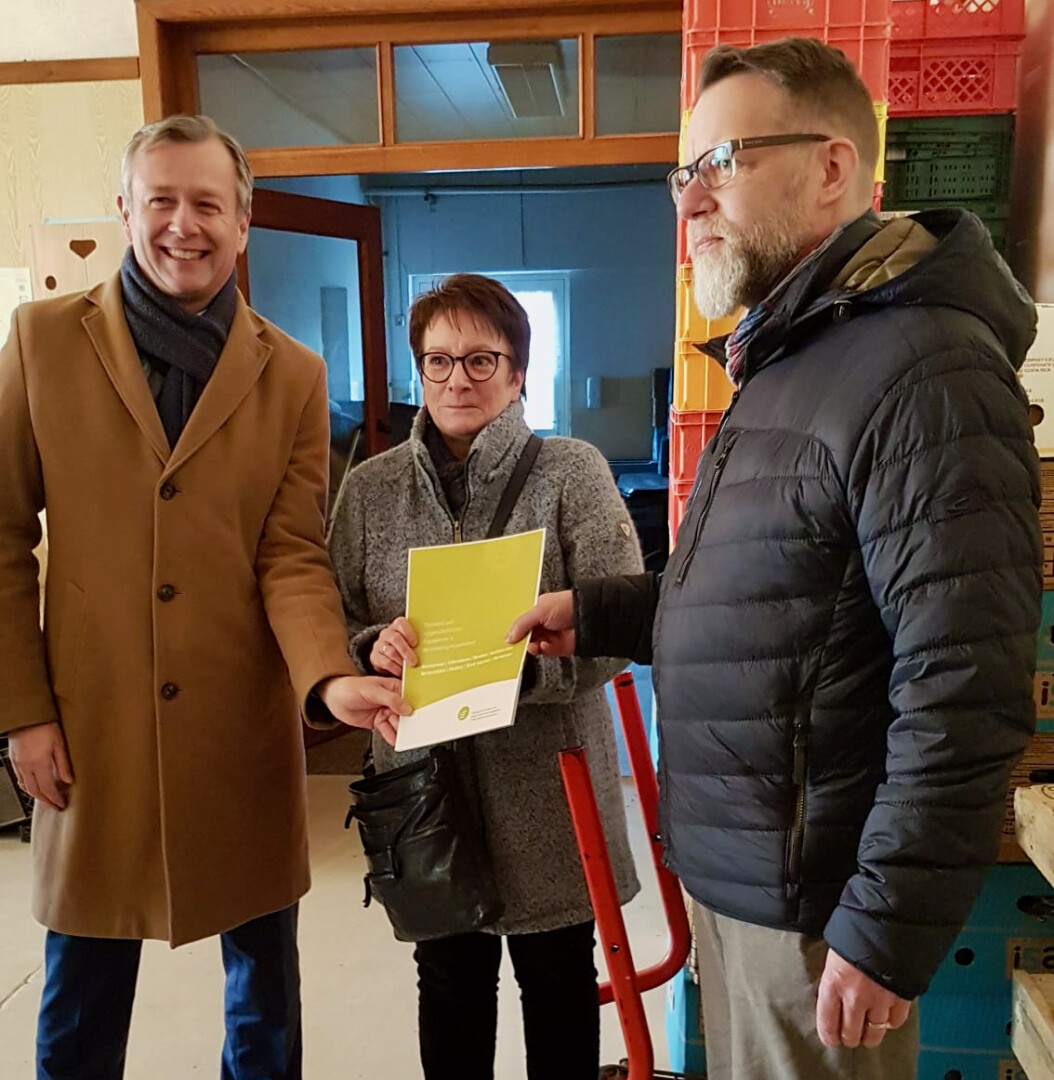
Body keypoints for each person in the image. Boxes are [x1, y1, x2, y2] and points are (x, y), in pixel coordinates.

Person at [509, 37, 1041, 1080]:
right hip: (748, 877)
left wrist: (884, 926)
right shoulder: (801, 352)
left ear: (832, 167)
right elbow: (781, 598)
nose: (691, 202)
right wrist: (605, 611)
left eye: (722, 163)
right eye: (684, 174)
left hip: (821, 915)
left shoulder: (924, 368)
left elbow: (966, 680)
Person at [0, 114, 409, 1080]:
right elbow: (2, 536)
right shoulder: (43, 342)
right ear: (125, 209)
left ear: (243, 220)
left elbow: (290, 553)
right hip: (91, 724)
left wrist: (329, 680)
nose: (184, 225)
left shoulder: (292, 373)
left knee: (264, 998)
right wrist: (23, 714)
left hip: (239, 724)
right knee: (80, 993)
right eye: (163, 201)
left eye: (208, 205)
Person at [328, 273, 643, 1080]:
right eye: (437, 361)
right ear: (418, 370)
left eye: (480, 359)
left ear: (518, 371)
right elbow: (335, 620)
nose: (456, 380)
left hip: (548, 783)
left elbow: (618, 623)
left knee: (558, 980)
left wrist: (519, 672)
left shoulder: (570, 472)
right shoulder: (369, 491)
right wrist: (371, 647)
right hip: (423, 781)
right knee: (449, 981)